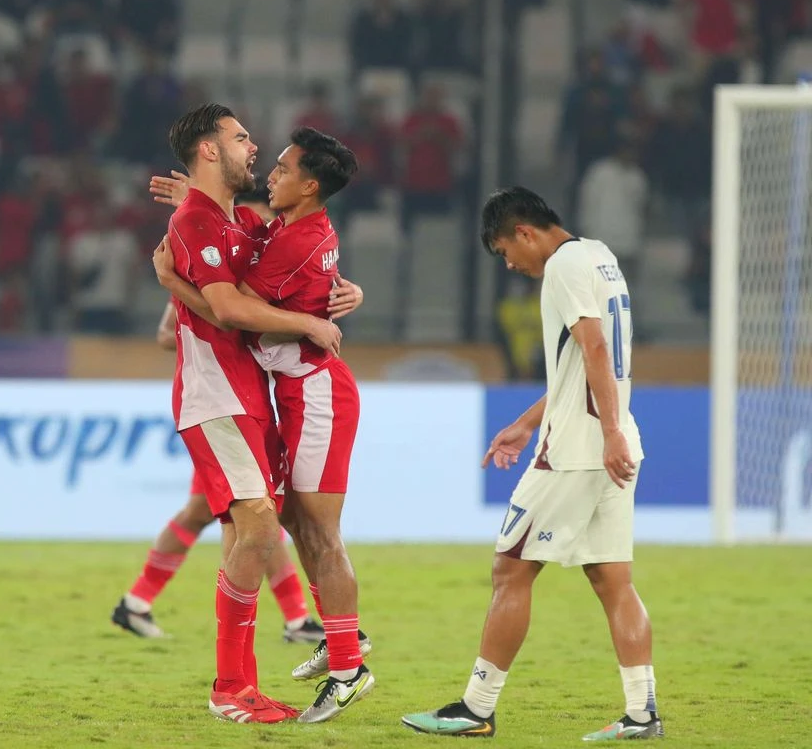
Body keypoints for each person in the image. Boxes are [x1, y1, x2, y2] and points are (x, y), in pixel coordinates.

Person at [401, 186, 660, 741]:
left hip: (576, 450)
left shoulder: (563, 266)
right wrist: (527, 422)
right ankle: (642, 714)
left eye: (504, 251)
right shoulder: (600, 256)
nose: (510, 264)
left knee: (511, 569)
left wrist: (606, 433)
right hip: (615, 442)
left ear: (523, 231)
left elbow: (594, 348)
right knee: (613, 579)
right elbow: (584, 364)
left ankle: (476, 709)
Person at [151, 128, 377, 723]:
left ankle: (347, 662)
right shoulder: (279, 227)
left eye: (282, 167)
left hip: (316, 393)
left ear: (309, 185)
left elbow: (233, 313)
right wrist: (196, 202)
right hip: (286, 394)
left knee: (314, 531)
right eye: (262, 156)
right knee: (290, 524)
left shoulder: (294, 238)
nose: (269, 171)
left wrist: (174, 283)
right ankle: (337, 641)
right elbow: (240, 237)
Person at [111, 299, 325, 645]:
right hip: (220, 411)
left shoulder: (244, 284)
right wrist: (224, 334)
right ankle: (296, 619)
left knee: (226, 514)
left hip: (247, 409)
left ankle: (136, 602)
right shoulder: (207, 285)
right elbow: (166, 334)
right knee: (255, 514)